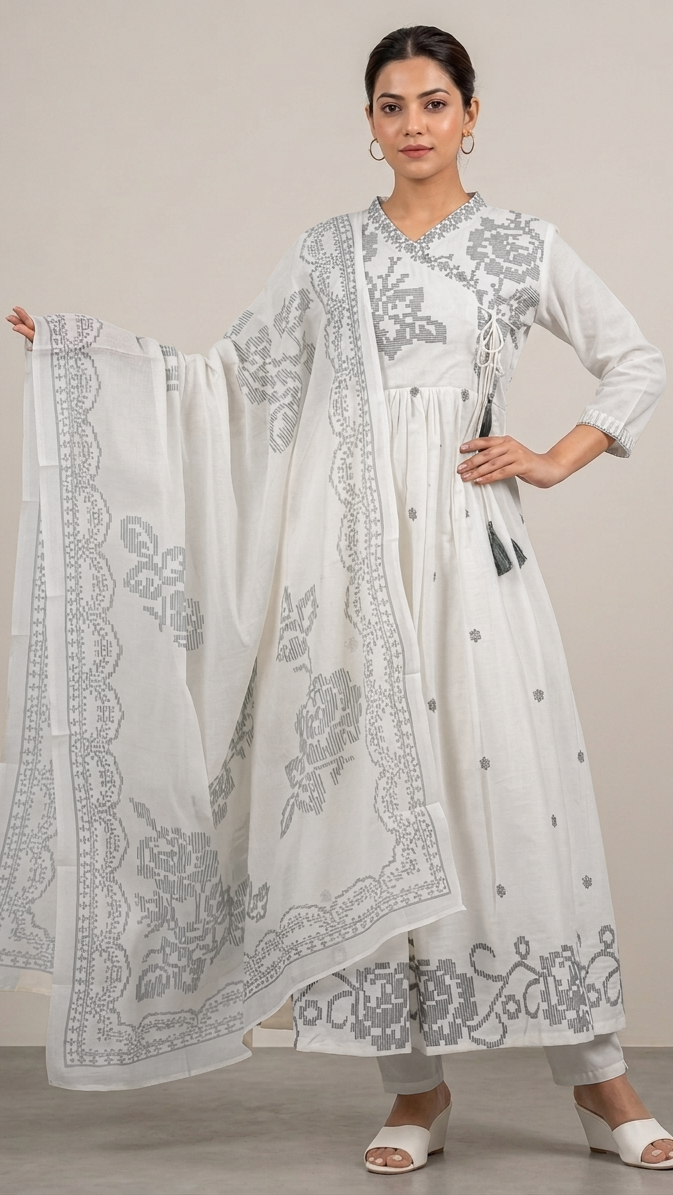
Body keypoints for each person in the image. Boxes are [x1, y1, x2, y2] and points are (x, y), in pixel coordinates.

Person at [4, 23, 669, 1177]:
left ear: (470, 114)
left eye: (433, 101)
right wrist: (84, 356)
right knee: (367, 807)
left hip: (469, 560)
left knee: (512, 804)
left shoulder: (519, 246)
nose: (412, 122)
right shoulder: (326, 258)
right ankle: (414, 1091)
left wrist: (558, 456)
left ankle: (601, 1082)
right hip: (346, 574)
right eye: (389, 104)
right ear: (366, 124)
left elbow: (637, 359)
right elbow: (227, 382)